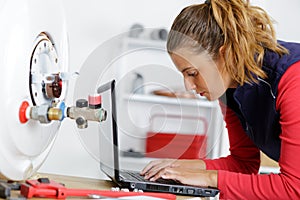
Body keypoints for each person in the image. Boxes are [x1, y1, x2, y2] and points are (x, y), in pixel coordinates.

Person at [140, 0, 300, 199]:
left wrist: (208, 178)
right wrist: (177, 168)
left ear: (224, 55)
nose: (188, 86)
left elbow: (294, 188)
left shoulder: (293, 80)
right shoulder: (230, 87)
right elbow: (243, 164)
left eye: (192, 73)